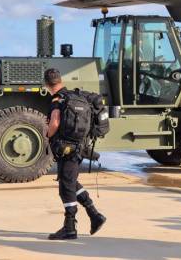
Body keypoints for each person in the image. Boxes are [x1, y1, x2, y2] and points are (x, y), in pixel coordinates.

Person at [45, 68, 106, 240]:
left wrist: (47, 133)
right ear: (60, 80)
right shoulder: (73, 95)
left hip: (67, 149)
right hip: (79, 147)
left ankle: (70, 227)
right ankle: (94, 214)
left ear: (47, 84)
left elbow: (55, 123)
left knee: (66, 187)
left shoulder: (57, 99)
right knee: (70, 181)